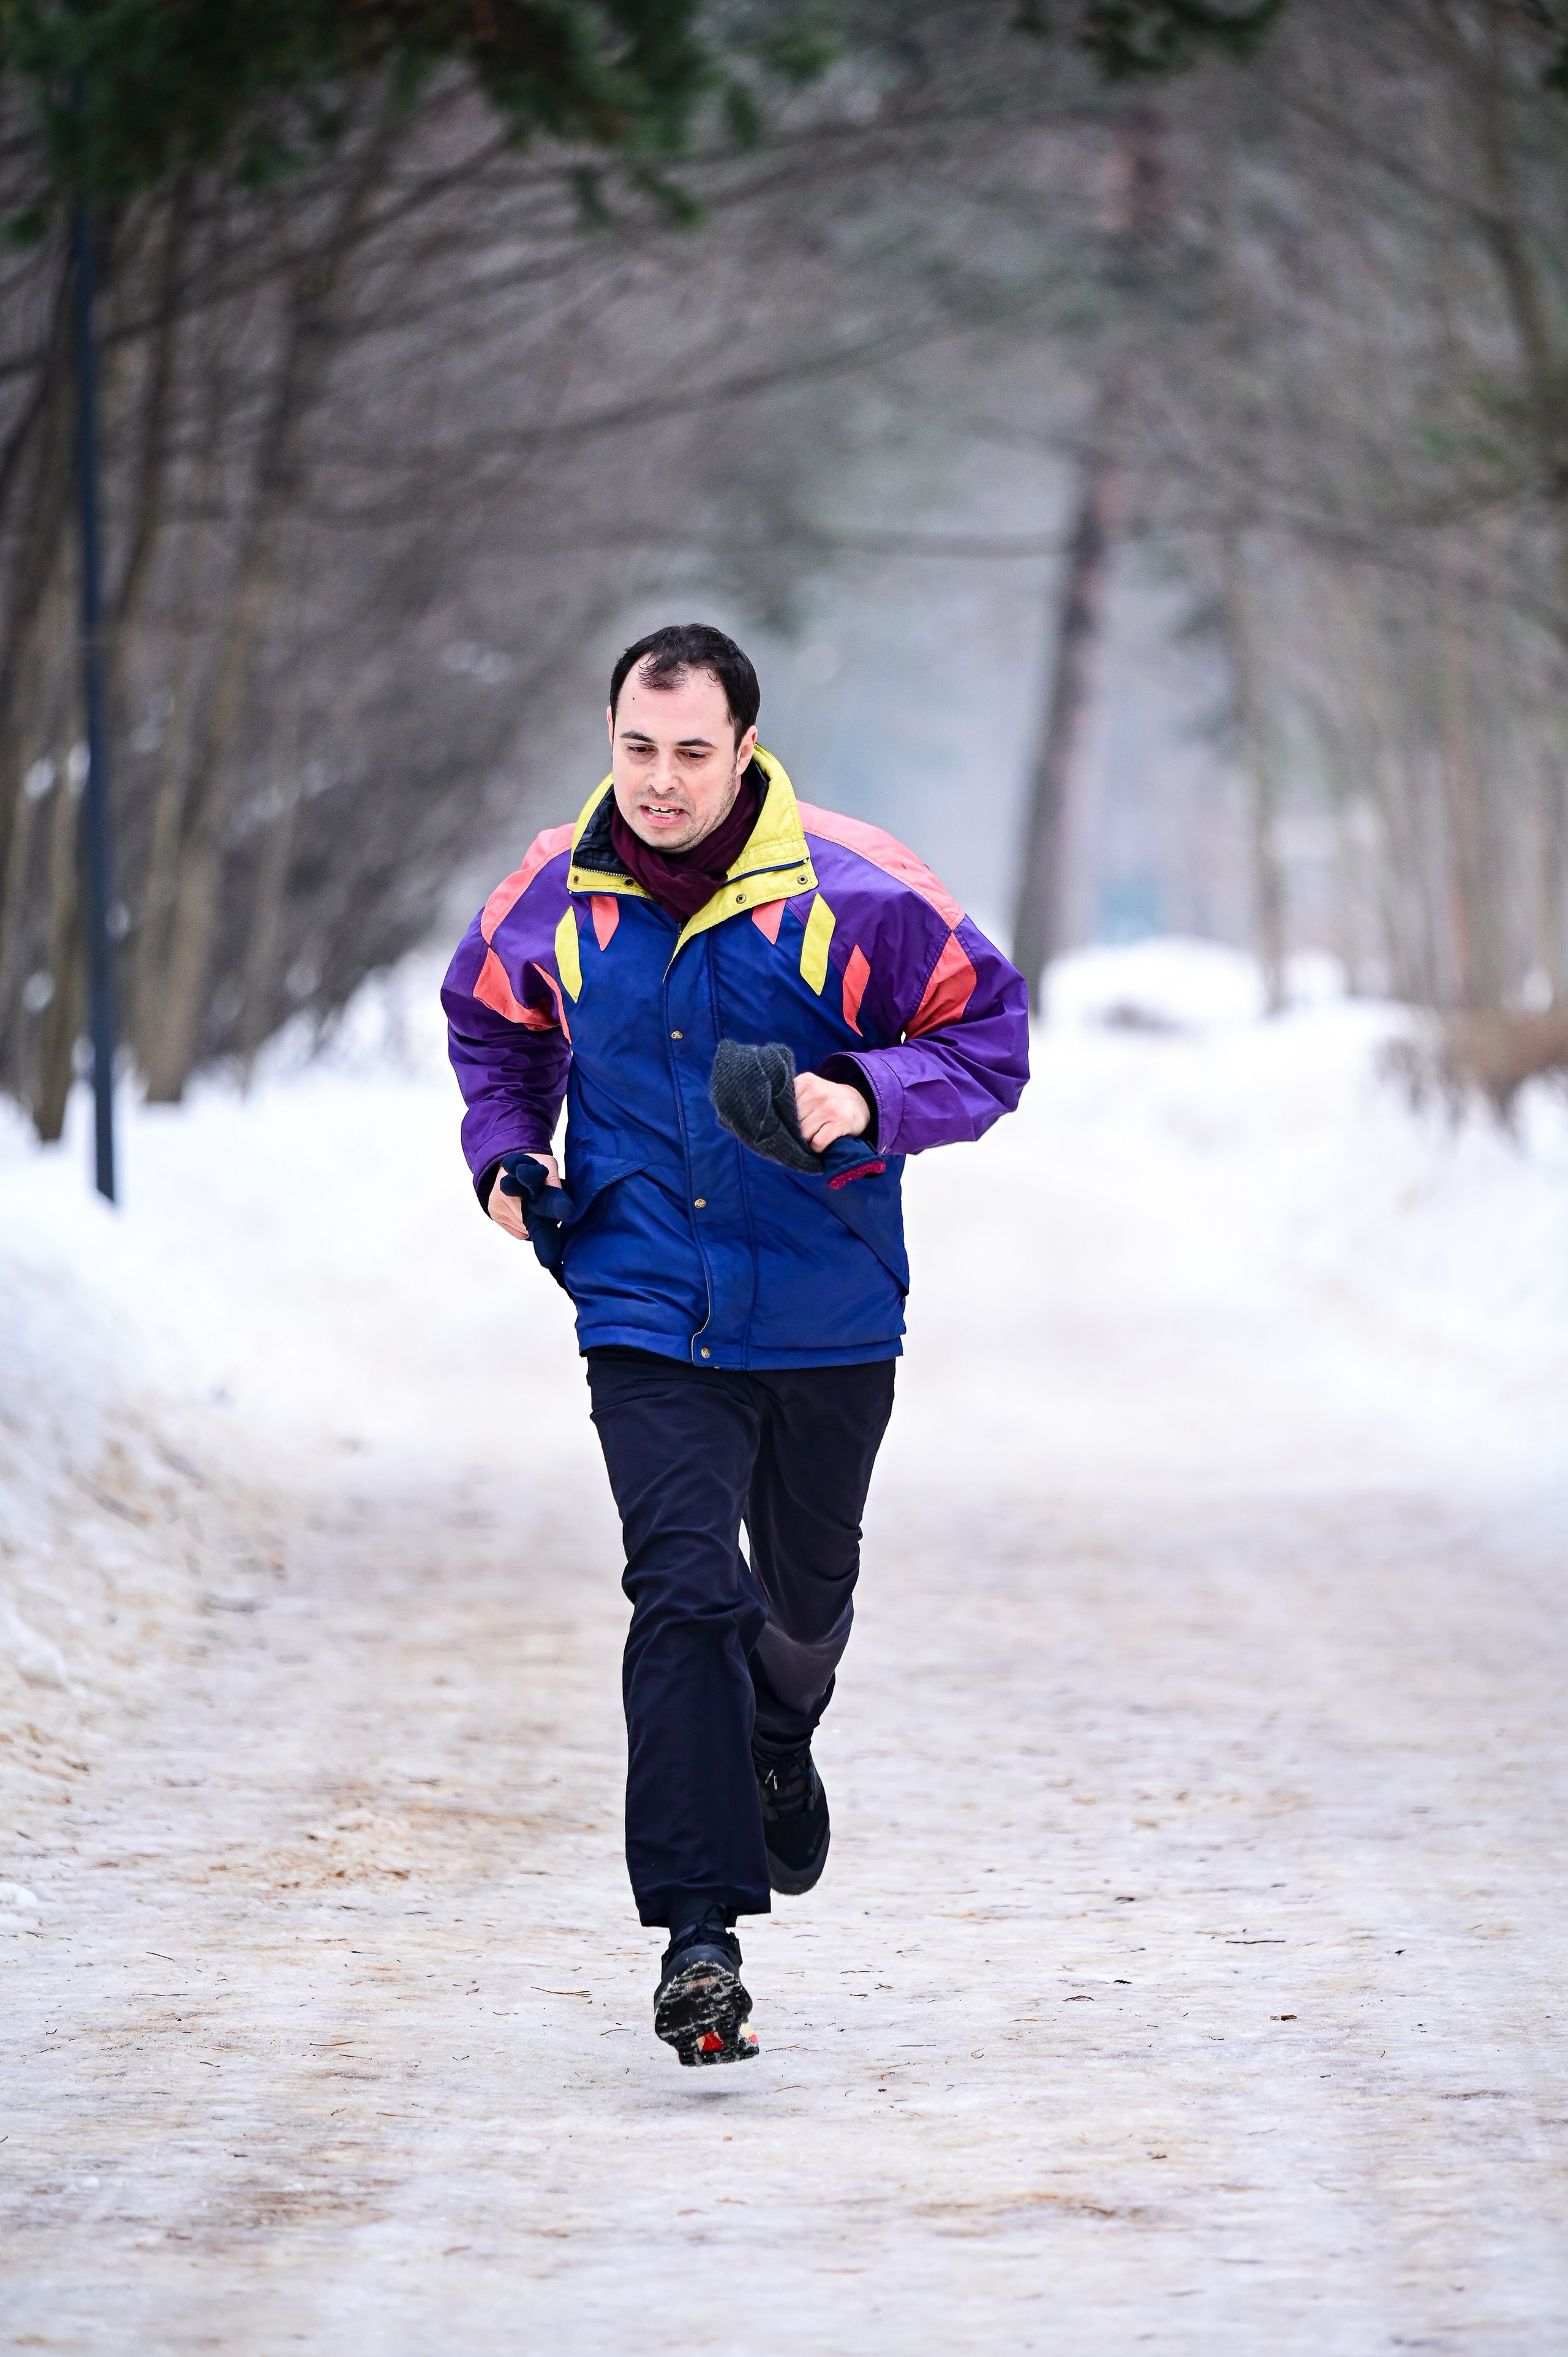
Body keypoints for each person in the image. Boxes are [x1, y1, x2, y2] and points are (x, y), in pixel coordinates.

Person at [442, 624, 1029, 2066]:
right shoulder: (551, 891)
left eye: (690, 753)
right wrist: (510, 1153)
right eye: (635, 749)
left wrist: (864, 1095)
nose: (657, 782)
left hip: (827, 1305)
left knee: (802, 1604)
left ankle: (781, 1733)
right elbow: (494, 1030)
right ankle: (699, 1935)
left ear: (744, 750)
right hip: (644, 1294)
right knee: (684, 1589)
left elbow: (992, 1040)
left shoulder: (858, 888)